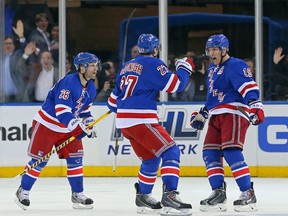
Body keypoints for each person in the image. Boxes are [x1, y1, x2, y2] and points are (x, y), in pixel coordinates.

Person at [107, 33, 194, 216]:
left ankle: (143, 196)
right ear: (155, 49)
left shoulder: (126, 66)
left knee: (151, 159)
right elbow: (175, 85)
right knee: (171, 151)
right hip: (141, 119)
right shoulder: (154, 63)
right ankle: (170, 196)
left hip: (125, 121)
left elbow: (112, 102)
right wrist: (184, 68)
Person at [15, 52, 100, 210]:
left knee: (76, 159)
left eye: (96, 65)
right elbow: (61, 110)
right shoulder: (69, 82)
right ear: (82, 68)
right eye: (92, 65)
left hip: (66, 126)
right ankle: (23, 191)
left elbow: (84, 110)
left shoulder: (91, 87)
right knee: (40, 161)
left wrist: (88, 122)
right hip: (47, 124)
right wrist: (76, 126)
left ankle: (77, 194)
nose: (96, 68)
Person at [190, 34, 265, 212]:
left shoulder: (237, 65)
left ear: (224, 50)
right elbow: (212, 97)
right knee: (209, 153)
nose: (212, 53)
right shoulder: (211, 70)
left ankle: (248, 192)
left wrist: (255, 105)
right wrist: (204, 113)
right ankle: (218, 192)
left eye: (215, 49)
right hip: (217, 114)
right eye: (210, 50)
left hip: (234, 112)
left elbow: (248, 87)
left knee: (231, 151)